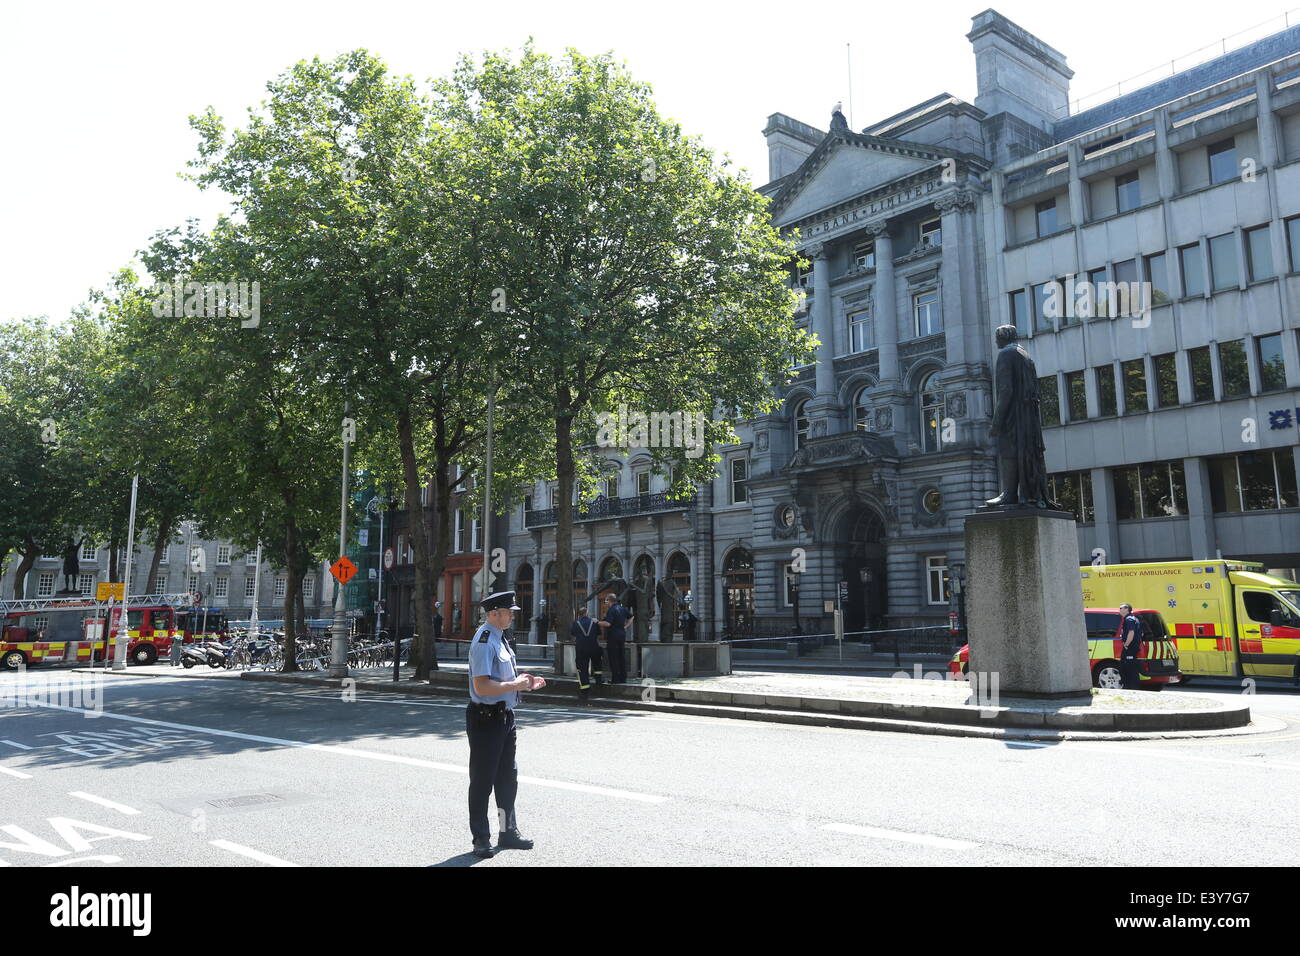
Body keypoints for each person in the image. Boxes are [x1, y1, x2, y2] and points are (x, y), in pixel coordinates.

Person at [467, 590, 545, 859]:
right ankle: (481, 838)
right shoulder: (485, 640)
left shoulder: (501, 639)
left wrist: (525, 682)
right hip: (486, 718)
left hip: (504, 717)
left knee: (507, 779)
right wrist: (515, 684)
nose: (512, 615)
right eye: (508, 611)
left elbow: (503, 680)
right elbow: (482, 685)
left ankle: (507, 831)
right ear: (493, 614)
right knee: (482, 781)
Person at [570, 606, 603, 702]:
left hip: (581, 649)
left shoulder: (576, 623)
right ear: (587, 613)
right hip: (594, 646)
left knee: (582, 668)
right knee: (597, 664)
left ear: (579, 614)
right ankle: (598, 681)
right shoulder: (593, 622)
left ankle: (585, 689)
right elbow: (599, 633)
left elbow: (573, 633)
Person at [598, 593, 630, 684]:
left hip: (613, 636)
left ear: (610, 601)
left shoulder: (611, 610)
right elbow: (631, 616)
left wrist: (598, 623)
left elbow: (608, 624)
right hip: (622, 635)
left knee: (613, 657)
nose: (605, 602)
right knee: (621, 657)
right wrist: (626, 626)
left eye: (606, 600)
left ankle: (615, 679)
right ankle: (623, 678)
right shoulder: (622, 609)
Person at [1117, 603, 1142, 690]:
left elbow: (1131, 632)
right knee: (1128, 666)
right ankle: (1130, 686)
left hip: (1130, 647)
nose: (1119, 610)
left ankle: (1131, 687)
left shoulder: (1129, 619)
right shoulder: (1132, 618)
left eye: (1121, 608)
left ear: (1126, 609)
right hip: (1132, 646)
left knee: (1129, 667)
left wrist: (1126, 644)